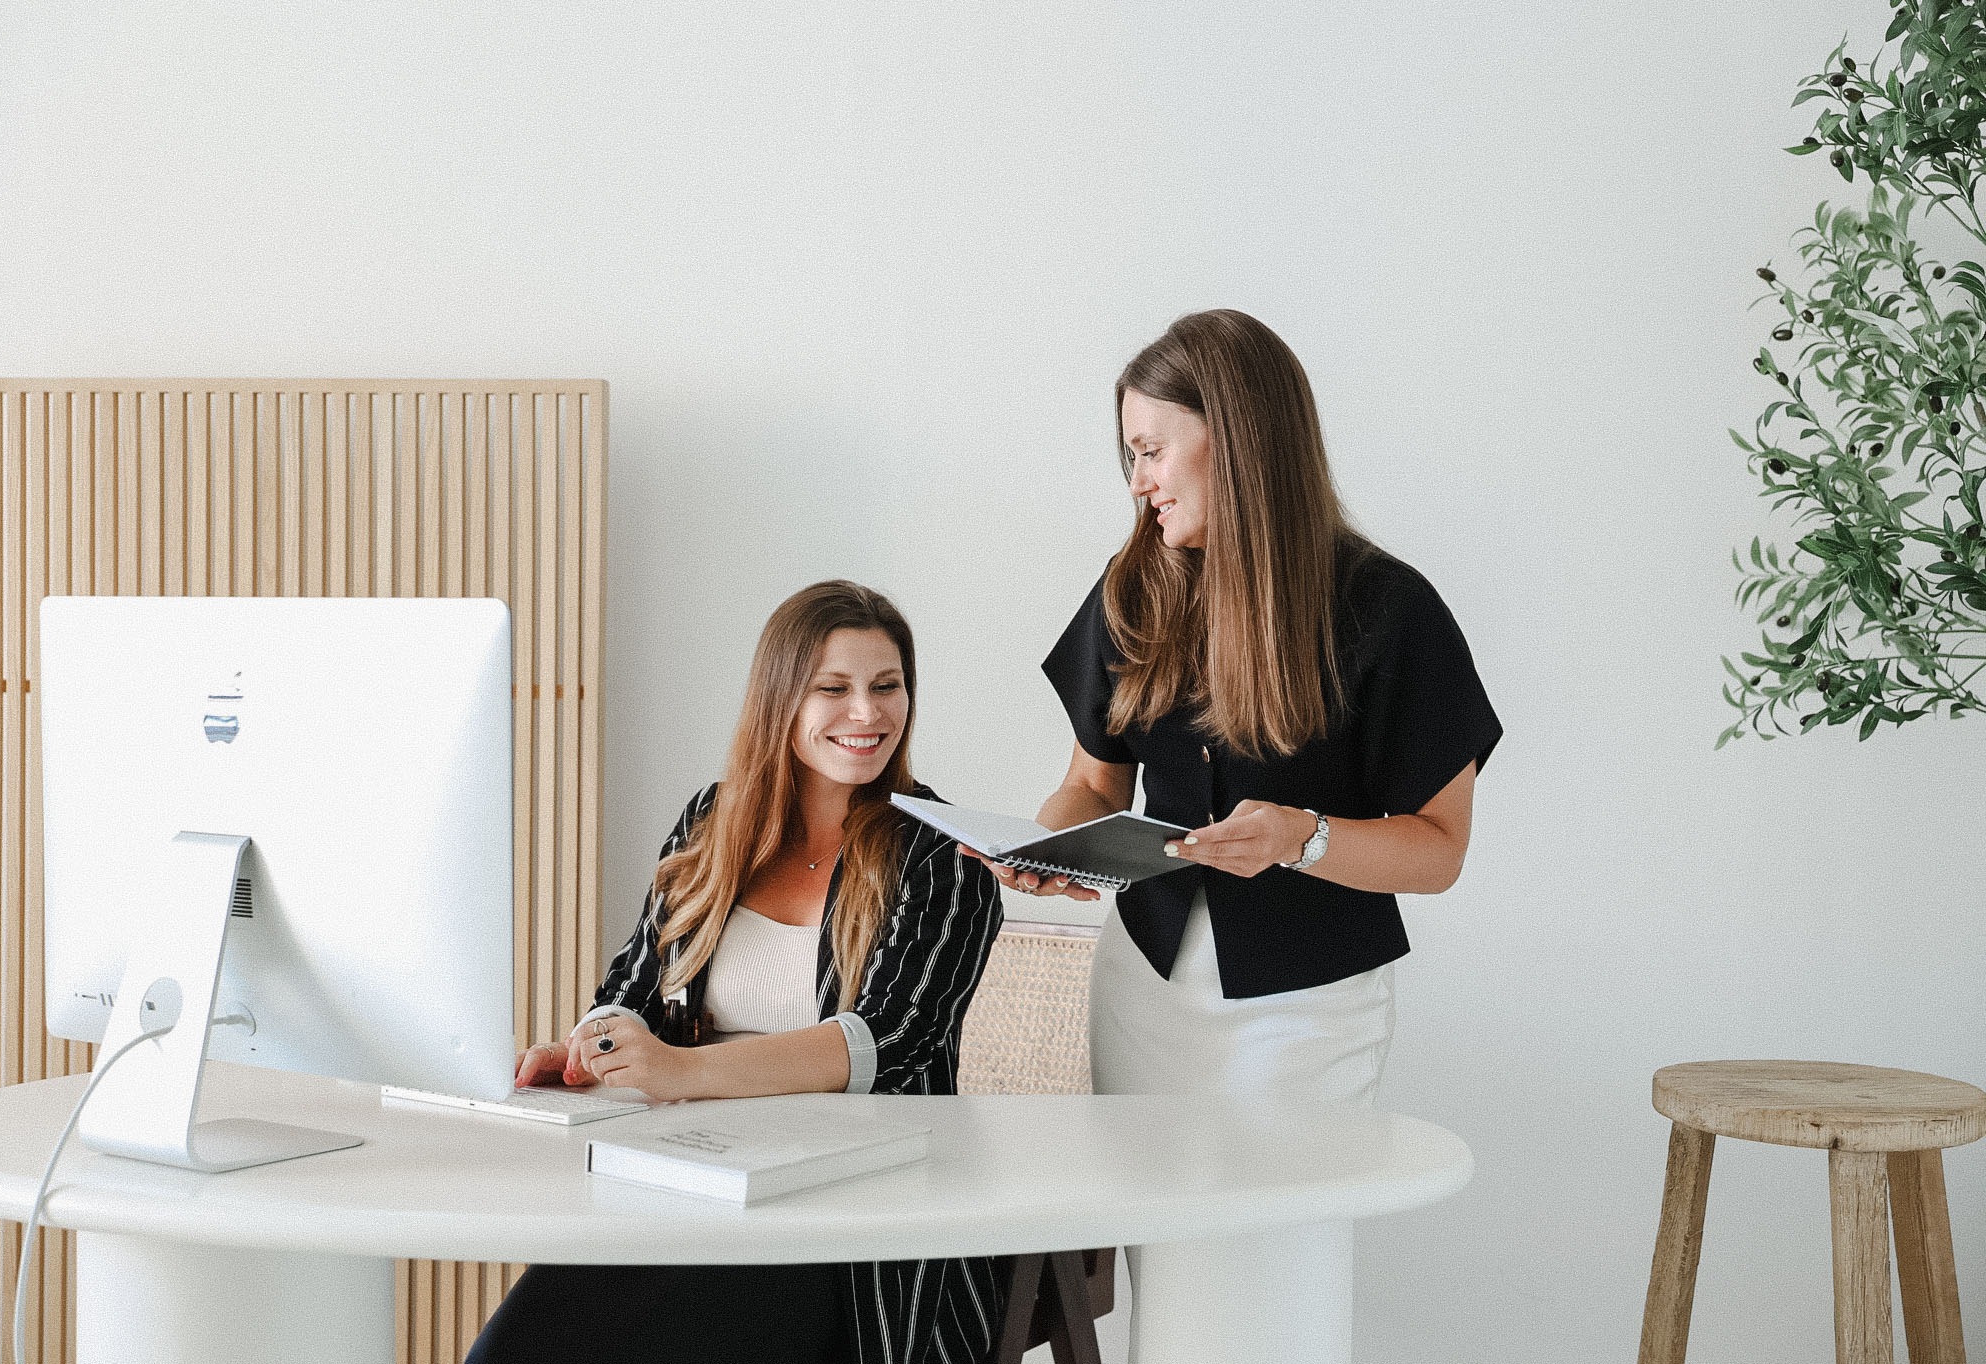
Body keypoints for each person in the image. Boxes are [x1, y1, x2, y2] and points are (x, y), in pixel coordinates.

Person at [986, 309, 1502, 1361]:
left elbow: (1438, 846)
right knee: (1166, 1284)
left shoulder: (1389, 611)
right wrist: (1024, 861)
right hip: (1141, 992)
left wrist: (1302, 836)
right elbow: (1091, 782)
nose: (1138, 480)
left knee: (1268, 1287)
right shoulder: (1134, 586)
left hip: (1306, 1016)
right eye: (1129, 454)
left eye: (1149, 448)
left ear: (1234, 432)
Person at [467, 580, 1005, 1364]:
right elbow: (635, 985)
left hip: (848, 1226)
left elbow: (884, 1044)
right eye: (835, 689)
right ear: (781, 699)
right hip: (688, 1181)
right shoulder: (713, 821)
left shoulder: (942, 858)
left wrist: (681, 1071)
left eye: (888, 687)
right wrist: (589, 1048)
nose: (869, 713)